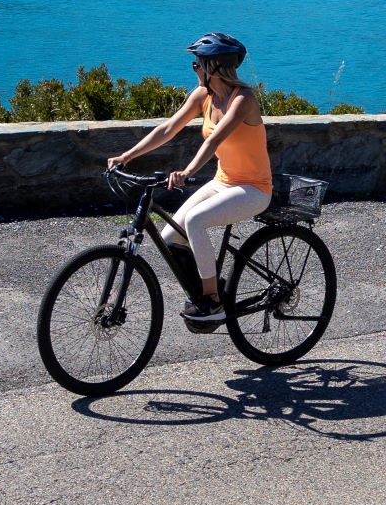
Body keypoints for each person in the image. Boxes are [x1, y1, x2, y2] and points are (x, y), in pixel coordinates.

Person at [107, 32, 271, 330]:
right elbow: (168, 128)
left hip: (253, 188)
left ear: (215, 66)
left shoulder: (243, 99)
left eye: (198, 64)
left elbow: (216, 138)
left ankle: (213, 300)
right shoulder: (203, 96)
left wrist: (188, 171)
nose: (194, 69)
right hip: (224, 182)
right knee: (171, 237)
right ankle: (208, 289)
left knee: (194, 220)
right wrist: (126, 156)